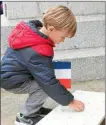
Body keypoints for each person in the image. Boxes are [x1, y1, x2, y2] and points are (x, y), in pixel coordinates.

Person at [1, 5, 85, 125]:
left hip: (11, 74)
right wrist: (69, 101)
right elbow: (48, 82)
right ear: (51, 29)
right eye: (63, 37)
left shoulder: (31, 33)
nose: (62, 41)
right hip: (12, 80)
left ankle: (35, 109)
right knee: (43, 86)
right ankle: (25, 116)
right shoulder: (40, 50)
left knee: (42, 83)